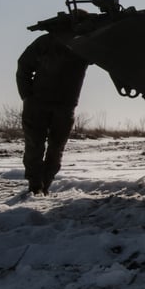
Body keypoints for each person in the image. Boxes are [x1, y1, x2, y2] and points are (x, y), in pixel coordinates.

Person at [16, 33, 89, 195]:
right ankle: (36, 185)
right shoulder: (47, 41)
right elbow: (24, 65)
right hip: (40, 103)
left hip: (64, 105)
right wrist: (27, 96)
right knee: (37, 146)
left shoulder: (86, 41)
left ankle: (44, 185)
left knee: (54, 148)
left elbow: (108, 56)